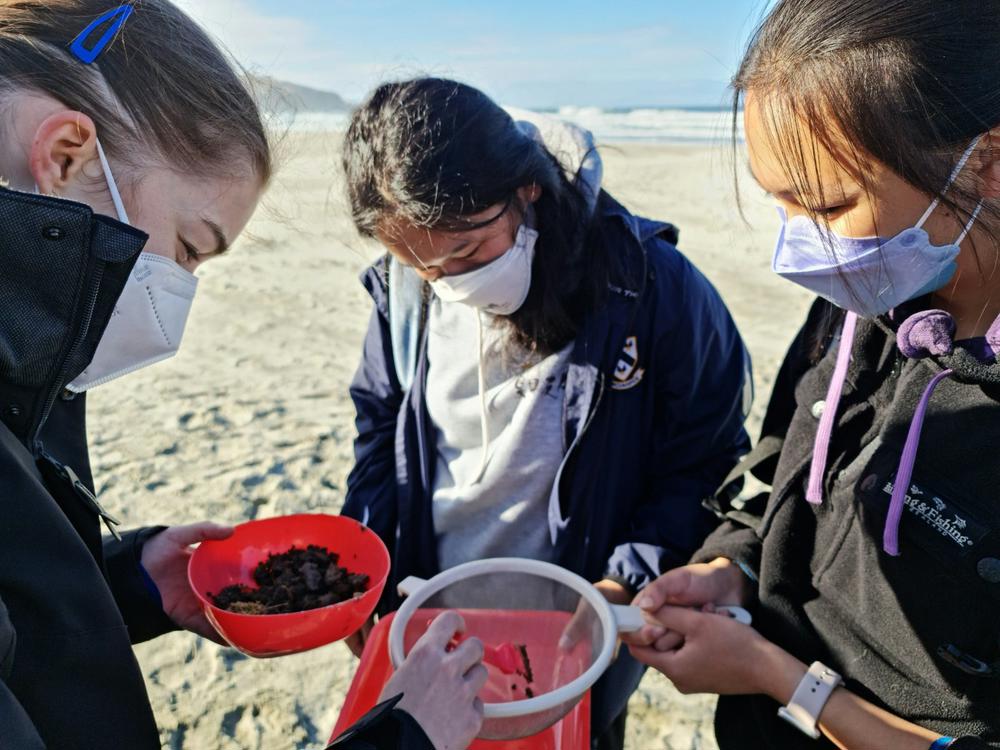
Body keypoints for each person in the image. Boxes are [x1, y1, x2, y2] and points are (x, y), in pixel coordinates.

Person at [0, 3, 484, 749]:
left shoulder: (25, 363)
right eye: (189, 248)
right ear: (66, 156)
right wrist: (409, 738)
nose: (181, 289)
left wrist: (126, 583)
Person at [624, 1, 1000, 749]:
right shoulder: (860, 298)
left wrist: (780, 678)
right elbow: (785, 473)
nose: (799, 246)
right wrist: (731, 567)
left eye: (828, 204)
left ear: (987, 162)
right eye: (780, 203)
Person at [339, 77, 752, 749]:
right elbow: (379, 424)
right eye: (422, 266)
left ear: (527, 188)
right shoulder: (404, 293)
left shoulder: (653, 288)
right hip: (432, 612)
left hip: (579, 630)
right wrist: (368, 560)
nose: (449, 283)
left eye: (467, 252)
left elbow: (704, 459)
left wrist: (622, 584)